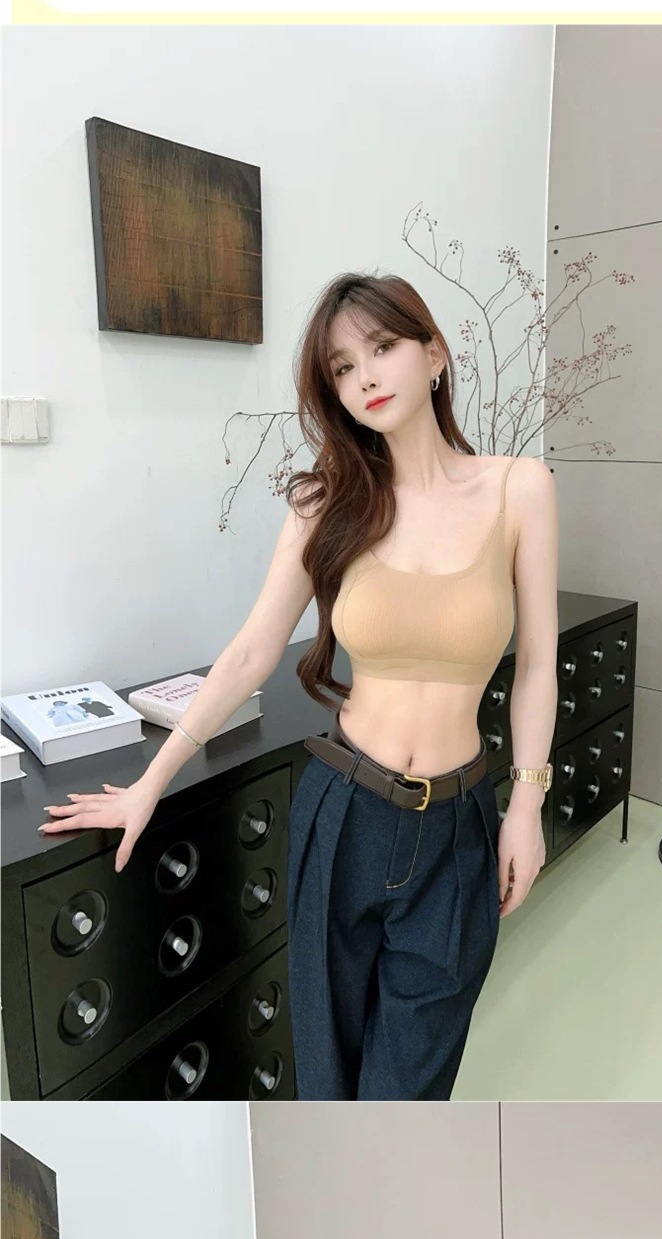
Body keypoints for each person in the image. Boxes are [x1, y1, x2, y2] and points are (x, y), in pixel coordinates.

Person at [41, 271, 559, 1106]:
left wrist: (527, 805)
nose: (365, 377)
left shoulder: (519, 487)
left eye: (382, 348)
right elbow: (251, 651)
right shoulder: (327, 501)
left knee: (408, 1092)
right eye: (343, 367)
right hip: (344, 813)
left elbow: (537, 661)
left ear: (434, 353)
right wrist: (148, 783)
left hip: (458, 826)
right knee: (326, 1079)